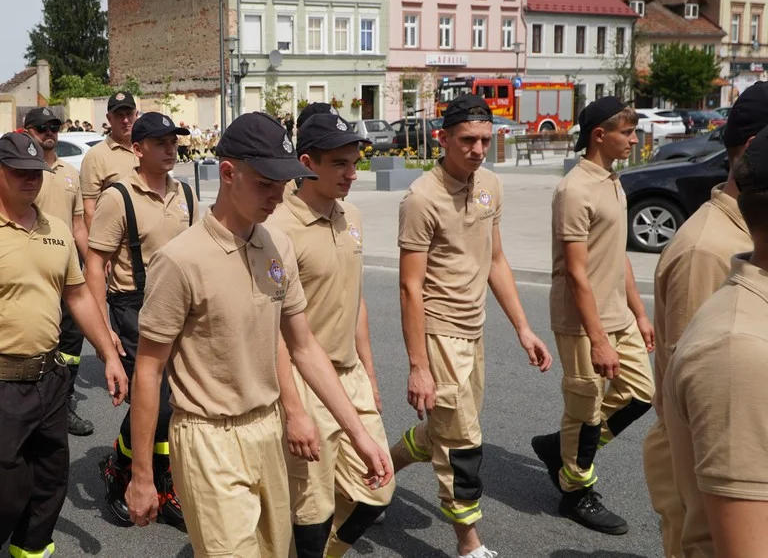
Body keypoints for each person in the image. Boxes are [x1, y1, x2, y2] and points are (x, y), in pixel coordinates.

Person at [125, 112, 393, 556]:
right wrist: (141, 475)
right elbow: (149, 371)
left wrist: (358, 433)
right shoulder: (180, 260)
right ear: (228, 173)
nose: (278, 195)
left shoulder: (277, 245)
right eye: (266, 183)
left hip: (267, 429)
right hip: (208, 437)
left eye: (283, 183)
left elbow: (304, 347)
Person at [0, 131, 128, 558]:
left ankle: (31, 550)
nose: (30, 180)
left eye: (36, 172)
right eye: (19, 172)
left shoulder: (56, 230)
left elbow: (77, 296)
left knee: (49, 483)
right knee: (1, 486)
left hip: (50, 379)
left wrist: (109, 354)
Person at [390, 95, 552, 558]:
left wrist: (523, 328)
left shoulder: (490, 186)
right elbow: (409, 287)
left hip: (473, 330)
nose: (479, 149)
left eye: (485, 139)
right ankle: (469, 545)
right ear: (443, 139)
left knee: (444, 429)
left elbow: (495, 260)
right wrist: (418, 366)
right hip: (440, 334)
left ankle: (372, 476)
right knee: (462, 443)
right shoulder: (421, 199)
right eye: (468, 140)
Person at [643, 83, 768, 557]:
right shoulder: (705, 249)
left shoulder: (738, 237)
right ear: (756, 148)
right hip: (700, 469)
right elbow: (697, 397)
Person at [266, 111, 395, 558]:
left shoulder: (352, 214)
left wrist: (370, 374)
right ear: (307, 163)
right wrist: (294, 407)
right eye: (339, 163)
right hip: (306, 380)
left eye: (354, 162)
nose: (352, 173)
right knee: (311, 507)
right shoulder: (278, 227)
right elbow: (276, 330)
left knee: (376, 489)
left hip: (351, 374)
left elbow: (354, 298)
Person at [529, 97, 655, 536]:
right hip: (583, 321)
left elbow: (615, 255)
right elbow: (578, 274)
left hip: (617, 315)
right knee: (584, 410)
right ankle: (575, 491)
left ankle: (561, 449)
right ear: (600, 135)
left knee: (641, 393)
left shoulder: (612, 181)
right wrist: (598, 338)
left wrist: (639, 313)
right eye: (628, 132)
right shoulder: (575, 189)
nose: (635, 139)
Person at [92, 112, 195, 528]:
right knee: (156, 401)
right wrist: (105, 332)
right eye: (161, 142)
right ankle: (123, 475)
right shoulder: (118, 196)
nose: (171, 148)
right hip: (133, 307)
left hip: (179, 307)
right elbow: (95, 264)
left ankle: (154, 476)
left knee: (174, 402)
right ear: (138, 149)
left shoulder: (185, 191)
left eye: (174, 141)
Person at [24, 107, 93, 437]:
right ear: (28, 132)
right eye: (41, 127)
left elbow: (78, 224)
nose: (48, 131)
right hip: (32, 272)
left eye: (53, 126)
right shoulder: (22, 172)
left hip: (68, 273)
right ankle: (33, 408)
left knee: (71, 344)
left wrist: (92, 263)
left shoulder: (69, 172)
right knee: (35, 339)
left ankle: (62, 404)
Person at [80, 92, 138, 228]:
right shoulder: (96, 156)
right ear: (109, 118)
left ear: (136, 115)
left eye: (129, 114)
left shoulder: (146, 148)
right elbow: (90, 209)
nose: (125, 120)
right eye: (119, 115)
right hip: (115, 240)